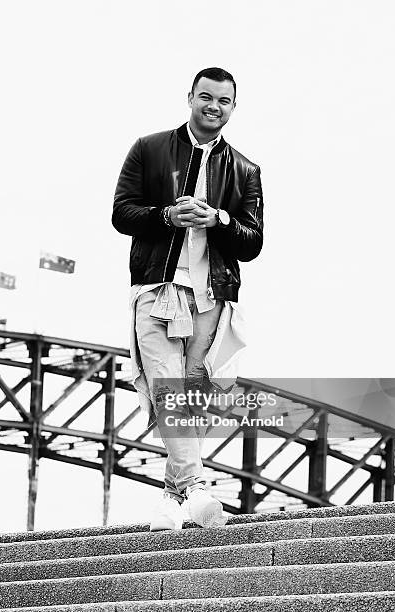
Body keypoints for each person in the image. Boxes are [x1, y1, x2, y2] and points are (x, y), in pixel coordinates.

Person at [112, 67, 264, 530]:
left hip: (210, 298)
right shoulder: (149, 148)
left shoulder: (245, 170)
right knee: (165, 384)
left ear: (233, 107)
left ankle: (172, 497)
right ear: (191, 98)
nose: (213, 107)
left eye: (224, 101)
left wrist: (217, 218)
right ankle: (197, 487)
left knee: (191, 398)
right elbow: (121, 213)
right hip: (156, 290)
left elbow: (253, 243)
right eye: (206, 97)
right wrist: (165, 215)